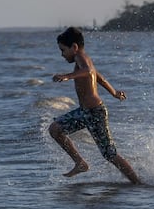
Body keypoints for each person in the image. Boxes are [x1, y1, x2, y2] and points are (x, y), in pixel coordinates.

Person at [48, 27, 141, 184]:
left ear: (74, 47)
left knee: (110, 155)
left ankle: (138, 183)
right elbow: (99, 77)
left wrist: (67, 76)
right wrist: (114, 93)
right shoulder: (83, 60)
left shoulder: (81, 58)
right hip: (85, 112)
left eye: (63, 50)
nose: (62, 55)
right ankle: (80, 163)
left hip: (95, 113)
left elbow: (88, 71)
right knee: (55, 129)